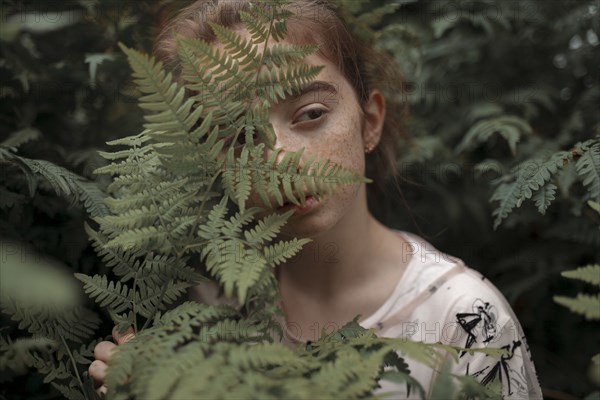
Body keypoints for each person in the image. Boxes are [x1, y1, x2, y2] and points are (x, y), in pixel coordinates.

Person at [89, 0, 543, 398]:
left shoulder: (465, 320)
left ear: (369, 121)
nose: (279, 159)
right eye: (238, 135)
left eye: (310, 114)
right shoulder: (206, 309)